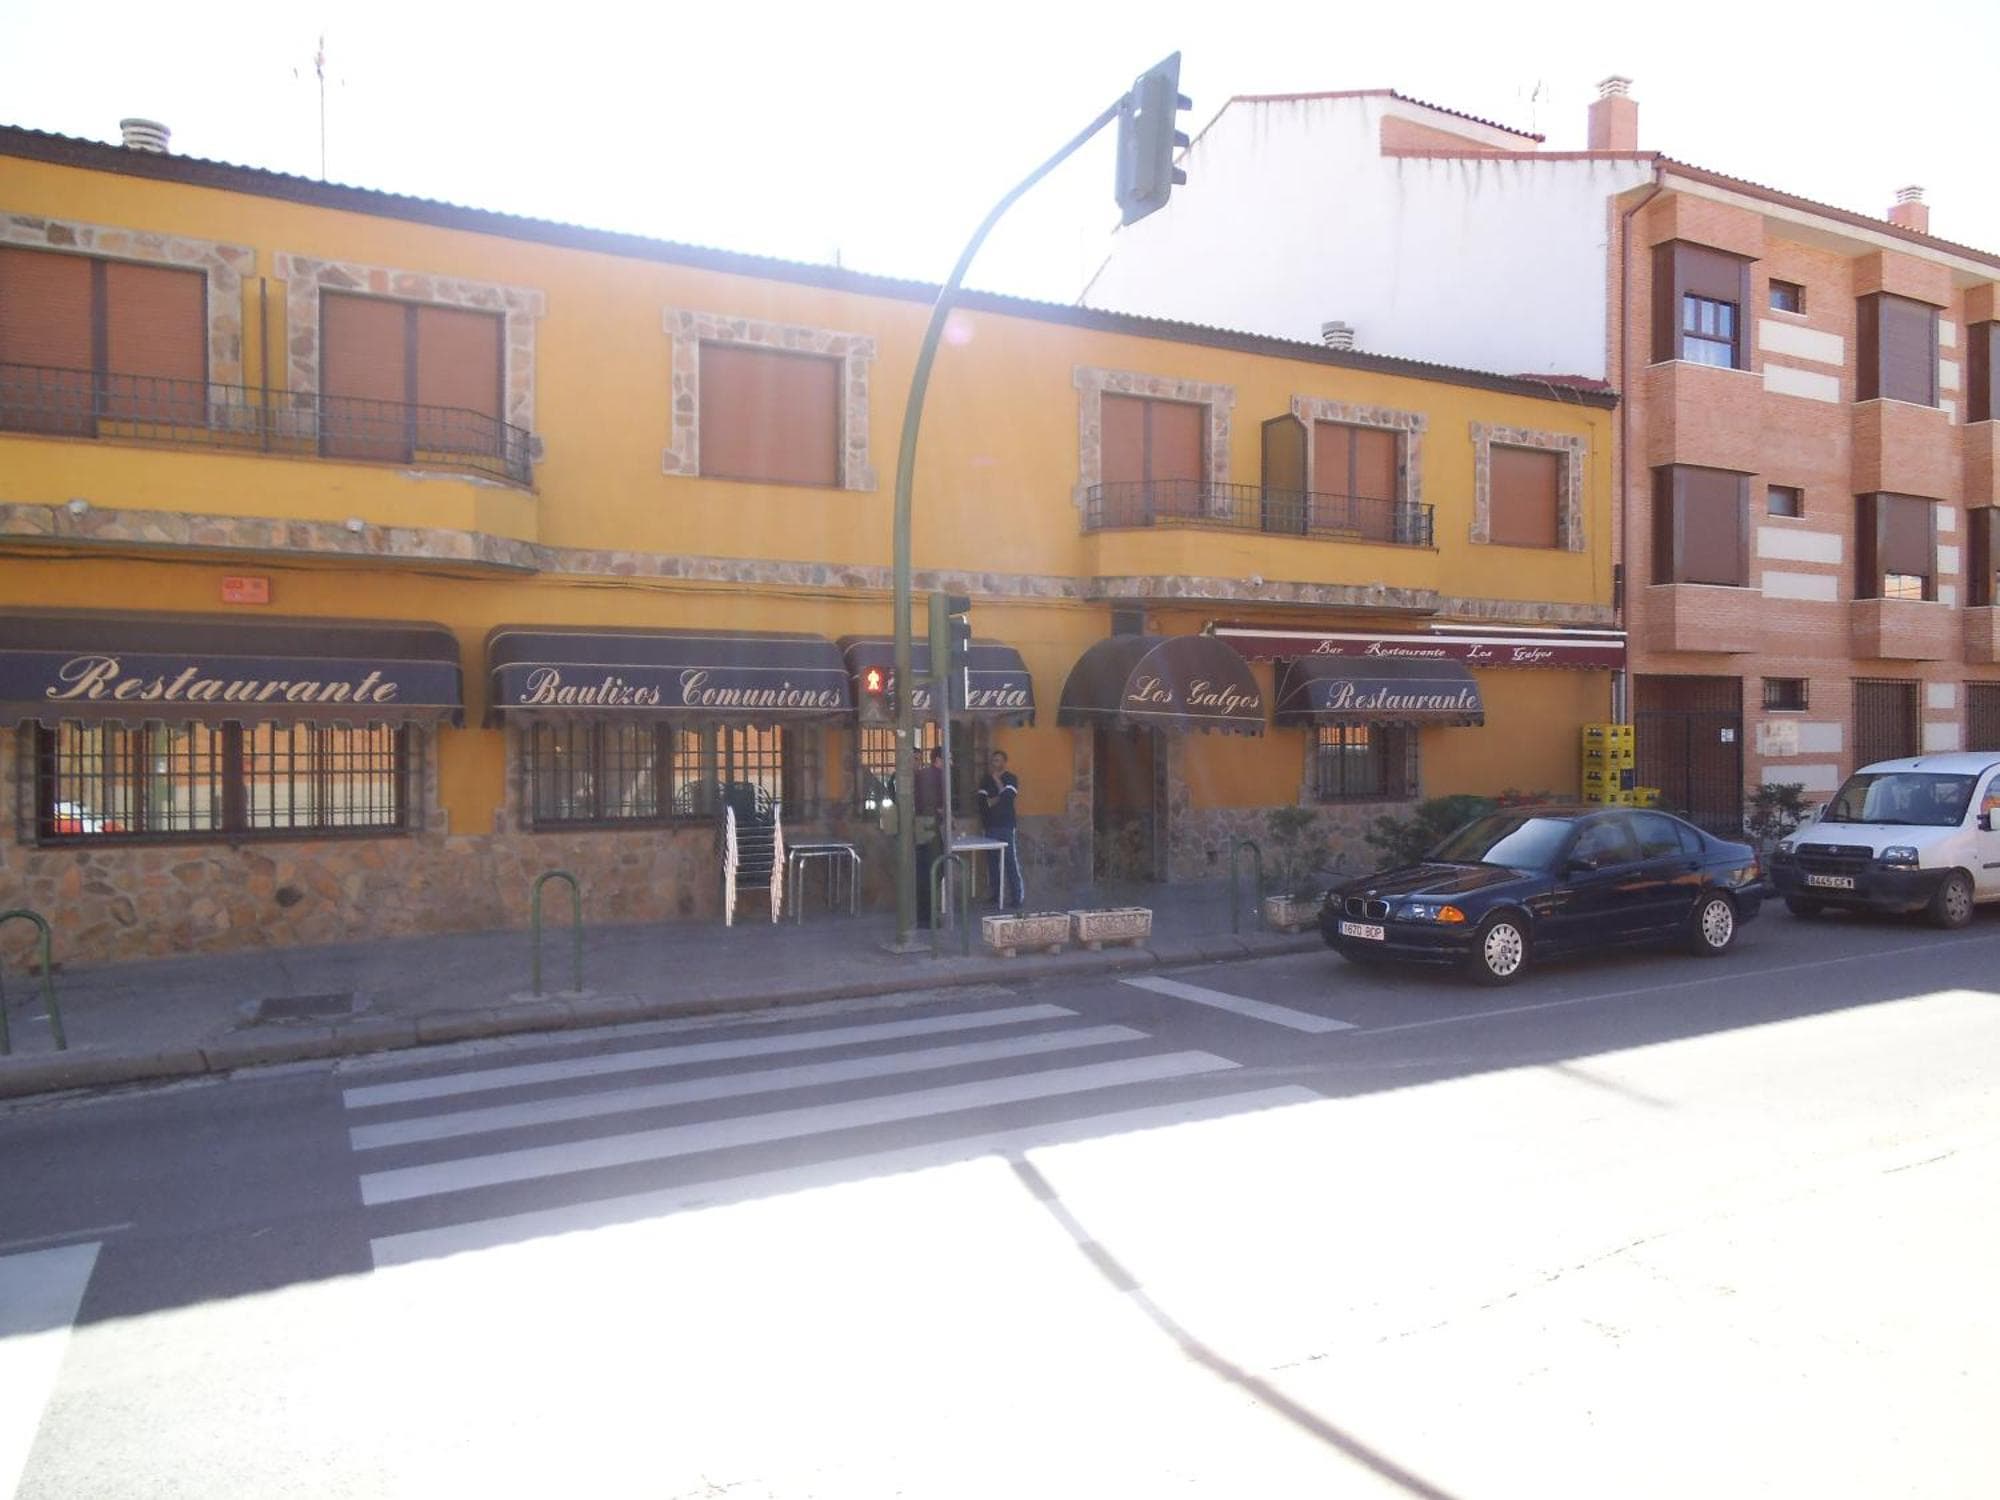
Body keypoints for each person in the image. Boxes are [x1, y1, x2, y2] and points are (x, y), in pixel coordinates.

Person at [977, 748, 1026, 908]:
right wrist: (997, 797)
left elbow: (1008, 798)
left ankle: (1017, 897)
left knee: (1010, 861)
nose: (994, 763)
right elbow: (982, 802)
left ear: (1004, 762)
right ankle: (996, 895)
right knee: (992, 863)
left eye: (997, 760)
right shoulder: (985, 780)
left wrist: (998, 783)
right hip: (990, 826)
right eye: (993, 760)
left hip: (1006, 825)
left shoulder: (1011, 778)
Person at [914, 744, 945, 925]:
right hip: (928, 826)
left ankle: (924, 915)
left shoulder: (922, 775)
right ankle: (926, 916)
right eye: (949, 758)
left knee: (926, 870)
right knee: (934, 869)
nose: (952, 762)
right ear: (939, 759)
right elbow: (938, 804)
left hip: (922, 825)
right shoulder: (937, 776)